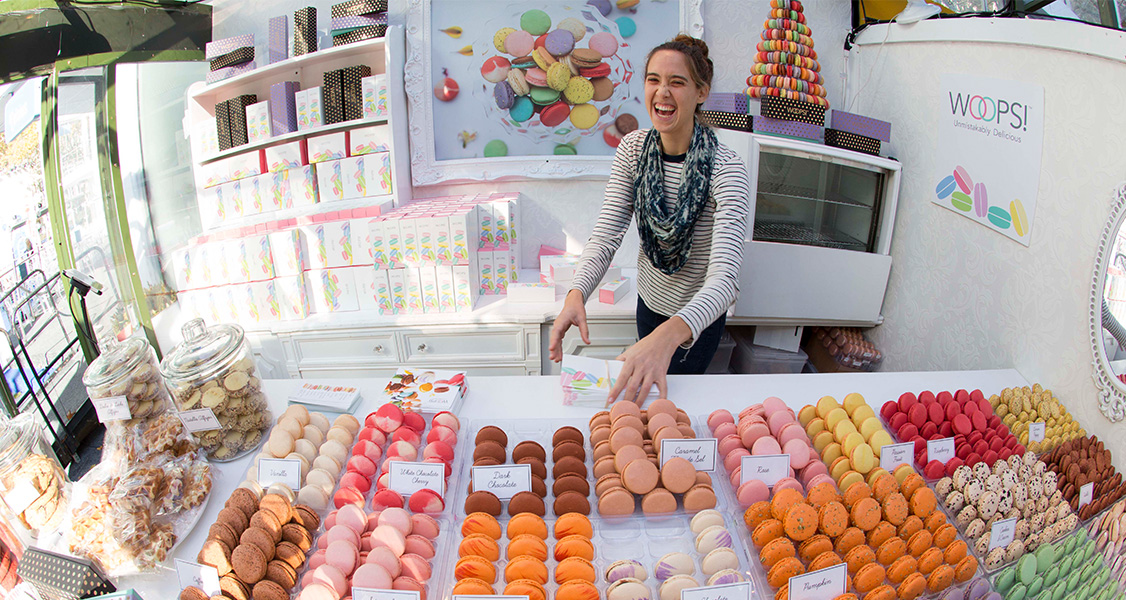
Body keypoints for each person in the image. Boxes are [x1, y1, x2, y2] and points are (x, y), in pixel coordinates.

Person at [548, 34, 751, 405]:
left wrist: (667, 337)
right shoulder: (633, 149)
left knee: (670, 409)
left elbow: (724, 282)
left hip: (694, 324)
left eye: (677, 82)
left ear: (701, 92)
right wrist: (575, 295)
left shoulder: (727, 169)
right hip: (650, 306)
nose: (662, 93)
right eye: (654, 80)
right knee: (642, 407)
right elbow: (607, 235)